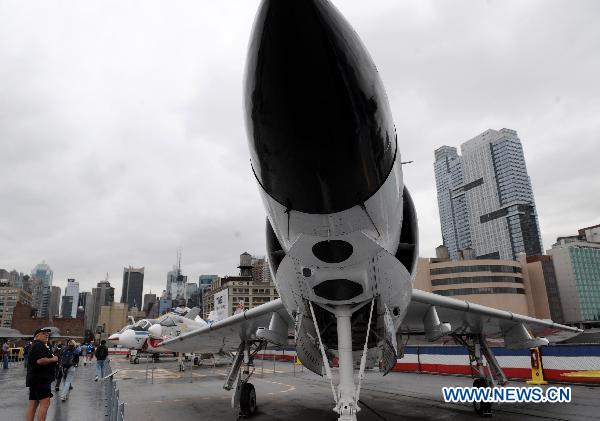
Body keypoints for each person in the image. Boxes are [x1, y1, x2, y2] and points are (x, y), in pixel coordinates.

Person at [26, 328, 58, 421]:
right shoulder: (39, 345)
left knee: (33, 405)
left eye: (47, 333)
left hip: (35, 379)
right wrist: (54, 359)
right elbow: (40, 360)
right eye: (43, 333)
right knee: (45, 404)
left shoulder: (35, 345)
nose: (46, 335)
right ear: (36, 336)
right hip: (41, 380)